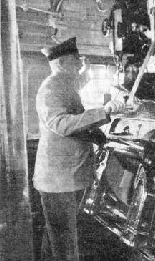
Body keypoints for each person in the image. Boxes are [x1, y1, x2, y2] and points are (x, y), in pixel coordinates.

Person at [33, 37, 125, 261]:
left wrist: (99, 137)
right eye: (76, 60)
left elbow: (76, 123)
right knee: (64, 241)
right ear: (62, 64)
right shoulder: (52, 88)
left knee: (56, 235)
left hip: (65, 178)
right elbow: (62, 124)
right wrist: (105, 111)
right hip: (59, 181)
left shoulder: (64, 85)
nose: (80, 64)